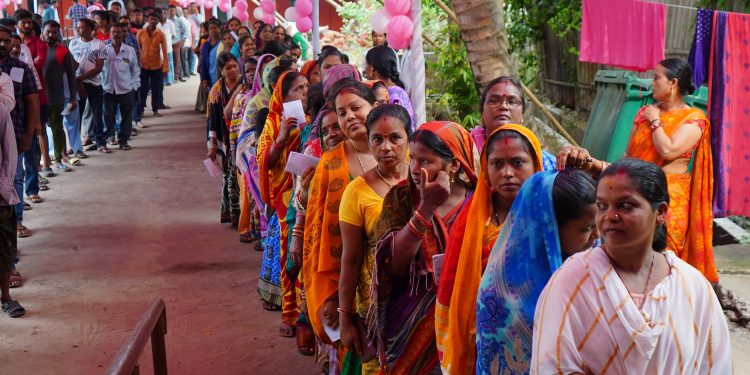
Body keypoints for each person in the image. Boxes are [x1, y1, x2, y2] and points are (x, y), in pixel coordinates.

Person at [531, 158, 732, 374]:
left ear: (661, 213)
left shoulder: (692, 287)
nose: (610, 216)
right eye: (602, 206)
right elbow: (550, 365)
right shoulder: (572, 280)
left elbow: (714, 364)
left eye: (625, 206)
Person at [557, 58, 718, 284]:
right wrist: (594, 164)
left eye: (656, 78)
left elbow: (668, 149)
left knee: (664, 258)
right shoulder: (644, 112)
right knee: (626, 256)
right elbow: (628, 160)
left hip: (671, 198)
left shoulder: (694, 119)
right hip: (632, 192)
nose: (651, 83)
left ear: (673, 83)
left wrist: (655, 122)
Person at [435, 124, 545, 374]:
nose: (507, 173)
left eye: (518, 163)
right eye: (497, 164)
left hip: (536, 337)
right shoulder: (471, 217)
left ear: (535, 164)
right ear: (485, 169)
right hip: (483, 340)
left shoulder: (549, 215)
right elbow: (453, 281)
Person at [370, 121, 478, 373]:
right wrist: (425, 209)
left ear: (454, 164)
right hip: (410, 325)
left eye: (426, 161)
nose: (416, 169)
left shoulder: (479, 203)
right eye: (413, 159)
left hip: (465, 323)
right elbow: (391, 265)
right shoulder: (402, 197)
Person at [475, 169, 598, 373]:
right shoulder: (502, 295)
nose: (597, 234)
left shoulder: (591, 266)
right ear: (549, 228)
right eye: (586, 229)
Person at [337, 103, 411, 373]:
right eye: (377, 139)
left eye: (394, 138)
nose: (386, 147)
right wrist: (346, 318)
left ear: (408, 139)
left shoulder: (425, 179)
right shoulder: (356, 192)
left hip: (422, 302)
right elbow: (351, 260)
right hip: (377, 309)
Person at [256, 71, 310, 340]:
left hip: (307, 189)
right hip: (286, 194)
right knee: (292, 257)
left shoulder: (313, 119)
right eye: (298, 89)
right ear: (284, 95)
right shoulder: (272, 122)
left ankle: (307, 315)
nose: (304, 93)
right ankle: (290, 313)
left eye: (306, 87)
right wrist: (282, 137)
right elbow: (264, 161)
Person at [0, 27, 39, 240]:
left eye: (6, 41)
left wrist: (29, 133)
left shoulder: (21, 68)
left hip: (15, 134)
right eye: (0, 41)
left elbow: (32, 101)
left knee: (14, 179)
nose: (2, 45)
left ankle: (18, 222)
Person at [472, 76, 557, 171]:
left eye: (512, 101)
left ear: (522, 114)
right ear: (482, 110)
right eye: (494, 101)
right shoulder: (464, 152)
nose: (503, 106)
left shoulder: (546, 163)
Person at [207, 53, 243, 227]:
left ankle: (242, 214)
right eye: (228, 67)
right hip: (227, 139)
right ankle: (234, 214)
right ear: (221, 71)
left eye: (235, 66)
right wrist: (212, 145)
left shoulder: (245, 84)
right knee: (230, 176)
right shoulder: (216, 90)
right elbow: (212, 120)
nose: (233, 70)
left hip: (242, 136)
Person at [41, 21, 77, 172]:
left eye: (54, 32)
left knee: (56, 128)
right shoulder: (36, 49)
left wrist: (73, 98)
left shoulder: (63, 51)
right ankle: (43, 163)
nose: (51, 35)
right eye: (48, 32)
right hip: (38, 98)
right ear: (43, 32)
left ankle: (58, 160)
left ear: (58, 33)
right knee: (40, 131)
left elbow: (71, 75)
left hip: (56, 97)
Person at [0, 88, 23, 318]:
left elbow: (10, 154)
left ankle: (5, 296)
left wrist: (4, 190)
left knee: (5, 247)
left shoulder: (1, 111)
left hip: (0, 194)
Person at [69, 18, 106, 153]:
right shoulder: (73, 43)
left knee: (97, 113)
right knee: (76, 115)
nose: (79, 30)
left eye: (83, 27)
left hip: (94, 83)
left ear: (90, 29)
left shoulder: (99, 45)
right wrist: (76, 80)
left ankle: (100, 143)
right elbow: (71, 63)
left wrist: (81, 78)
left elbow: (98, 68)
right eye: (78, 27)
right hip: (77, 84)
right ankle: (75, 146)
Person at [101, 23, 139, 151]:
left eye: (118, 32)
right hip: (108, 89)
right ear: (110, 34)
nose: (116, 34)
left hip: (126, 89)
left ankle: (124, 141)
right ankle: (109, 138)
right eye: (113, 32)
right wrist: (101, 85)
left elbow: (135, 70)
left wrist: (135, 85)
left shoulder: (130, 50)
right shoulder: (104, 50)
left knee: (126, 117)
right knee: (108, 117)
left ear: (123, 34)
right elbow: (99, 70)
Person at [364, 45, 414, 129]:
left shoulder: (392, 93)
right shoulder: (395, 90)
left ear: (372, 68)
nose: (365, 70)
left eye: (366, 64)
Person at [136, 11, 169, 117]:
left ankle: (155, 109)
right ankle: (141, 110)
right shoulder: (140, 32)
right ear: (147, 20)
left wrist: (165, 67)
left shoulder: (161, 34)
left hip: (157, 65)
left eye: (155, 19)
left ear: (158, 21)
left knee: (155, 89)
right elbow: (137, 49)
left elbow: (164, 51)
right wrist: (137, 65)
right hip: (143, 65)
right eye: (151, 19)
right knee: (143, 89)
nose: (153, 21)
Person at [168, 5, 188, 82]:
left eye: (173, 10)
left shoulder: (179, 20)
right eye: (170, 10)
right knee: (170, 60)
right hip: (168, 43)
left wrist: (182, 40)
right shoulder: (167, 20)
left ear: (175, 11)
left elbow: (185, 30)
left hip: (177, 42)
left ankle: (176, 77)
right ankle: (171, 76)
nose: (171, 12)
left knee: (177, 60)